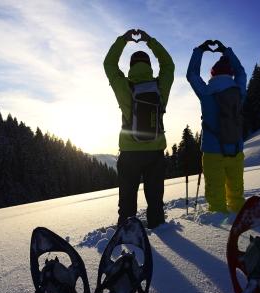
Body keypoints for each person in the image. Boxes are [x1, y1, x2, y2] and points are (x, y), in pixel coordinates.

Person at [104, 29, 175, 228]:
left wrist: (123, 40)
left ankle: (127, 235)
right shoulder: (160, 86)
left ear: (131, 67)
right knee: (155, 201)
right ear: (150, 66)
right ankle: (160, 229)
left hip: (129, 152)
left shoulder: (124, 86)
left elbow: (108, 64)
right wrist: (150, 41)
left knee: (127, 202)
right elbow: (168, 65)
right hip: (155, 152)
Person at [186, 39, 246, 214]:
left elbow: (192, 75)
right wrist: (226, 51)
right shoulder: (238, 92)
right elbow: (241, 73)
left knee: (216, 195)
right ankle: (240, 216)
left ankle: (220, 223)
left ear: (213, 75)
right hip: (235, 148)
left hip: (213, 152)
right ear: (230, 74)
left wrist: (200, 51)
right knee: (236, 192)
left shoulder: (206, 93)